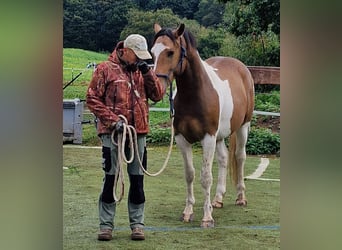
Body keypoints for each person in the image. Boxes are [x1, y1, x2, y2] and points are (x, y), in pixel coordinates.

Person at [86, 34, 165, 241]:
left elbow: (157, 95)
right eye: (136, 55)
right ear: (125, 51)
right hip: (112, 134)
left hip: (138, 133)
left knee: (137, 181)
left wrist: (147, 72)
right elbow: (92, 98)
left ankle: (137, 224)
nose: (139, 59)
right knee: (110, 179)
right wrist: (113, 121)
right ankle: (106, 226)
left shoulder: (142, 71)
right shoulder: (104, 69)